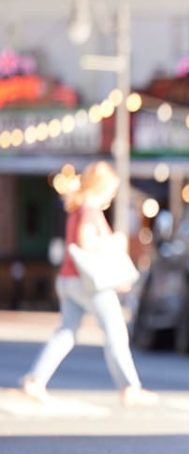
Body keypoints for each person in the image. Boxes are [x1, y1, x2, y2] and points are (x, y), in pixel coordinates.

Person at [19, 160, 158, 407]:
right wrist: (113, 242)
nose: (112, 195)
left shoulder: (77, 207)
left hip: (69, 279)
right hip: (90, 283)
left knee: (66, 333)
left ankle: (35, 379)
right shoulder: (89, 209)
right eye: (111, 190)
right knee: (115, 331)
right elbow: (85, 243)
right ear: (101, 187)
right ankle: (130, 388)